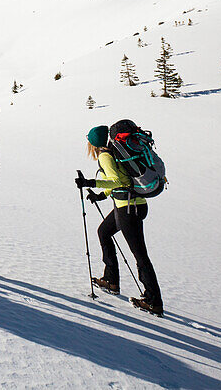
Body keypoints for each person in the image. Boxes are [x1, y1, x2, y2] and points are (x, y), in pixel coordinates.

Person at [75, 125, 163, 316]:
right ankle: (111, 280)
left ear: (93, 143)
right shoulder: (114, 152)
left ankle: (154, 301)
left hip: (128, 209)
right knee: (104, 232)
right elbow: (120, 180)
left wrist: (89, 183)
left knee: (140, 254)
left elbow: (116, 181)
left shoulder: (105, 156)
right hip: (135, 205)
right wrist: (101, 195)